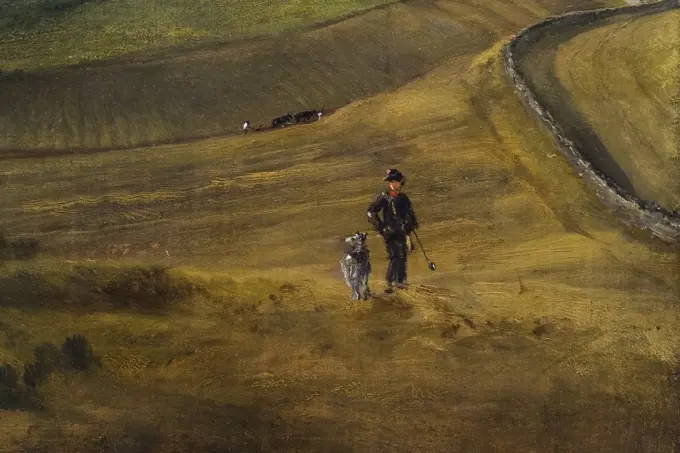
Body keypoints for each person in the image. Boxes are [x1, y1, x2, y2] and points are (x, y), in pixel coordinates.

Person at [367, 169, 418, 293]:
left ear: (401, 183)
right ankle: (390, 283)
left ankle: (400, 281)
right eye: (391, 182)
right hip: (389, 232)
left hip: (402, 232)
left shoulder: (404, 198)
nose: (393, 184)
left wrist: (409, 227)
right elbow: (371, 212)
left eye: (395, 181)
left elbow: (410, 214)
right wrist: (381, 227)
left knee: (403, 255)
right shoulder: (384, 197)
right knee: (394, 256)